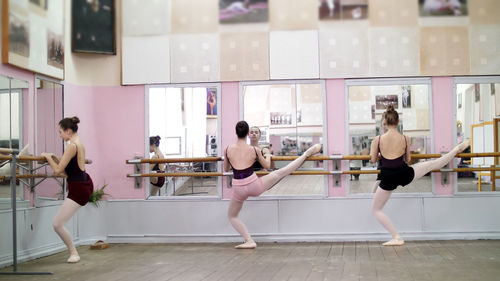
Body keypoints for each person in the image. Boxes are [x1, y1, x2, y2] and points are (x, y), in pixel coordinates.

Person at [370, 106, 469, 246]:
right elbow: (407, 159)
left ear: (384, 122)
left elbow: (373, 160)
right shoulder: (405, 138)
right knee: (435, 163)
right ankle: (456, 149)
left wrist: (382, 155)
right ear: (398, 122)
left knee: (376, 209)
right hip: (405, 174)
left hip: (388, 177)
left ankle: (396, 236)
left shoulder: (377, 140)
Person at [224, 121, 322, 249]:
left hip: (238, 189)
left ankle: (249, 240)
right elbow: (267, 166)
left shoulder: (227, 149)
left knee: (232, 216)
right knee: (281, 172)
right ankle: (306, 154)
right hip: (254, 185)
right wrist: (269, 156)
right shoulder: (254, 149)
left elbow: (226, 169)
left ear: (236, 133)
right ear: (248, 134)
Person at [41, 117, 94, 263]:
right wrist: (54, 158)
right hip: (82, 184)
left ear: (68, 131)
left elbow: (58, 171)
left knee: (57, 224)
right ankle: (73, 252)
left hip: (79, 188)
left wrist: (47, 156)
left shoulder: (72, 146)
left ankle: (74, 253)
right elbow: (67, 170)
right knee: (58, 224)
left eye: (60, 132)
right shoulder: (78, 143)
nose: (60, 135)